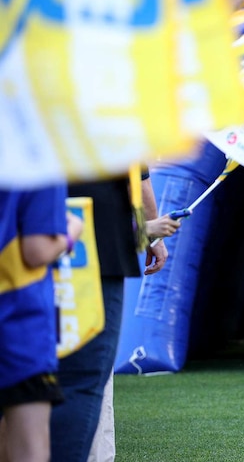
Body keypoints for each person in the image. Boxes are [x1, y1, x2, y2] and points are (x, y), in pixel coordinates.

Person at [51, 173, 170, 462]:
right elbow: (137, 179)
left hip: (24, 253)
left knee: (24, 380)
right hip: (96, 253)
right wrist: (148, 232)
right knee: (87, 379)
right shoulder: (112, 127)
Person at [0, 185, 78, 462]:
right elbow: (37, 250)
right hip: (18, 323)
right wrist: (71, 232)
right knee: (28, 449)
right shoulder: (37, 164)